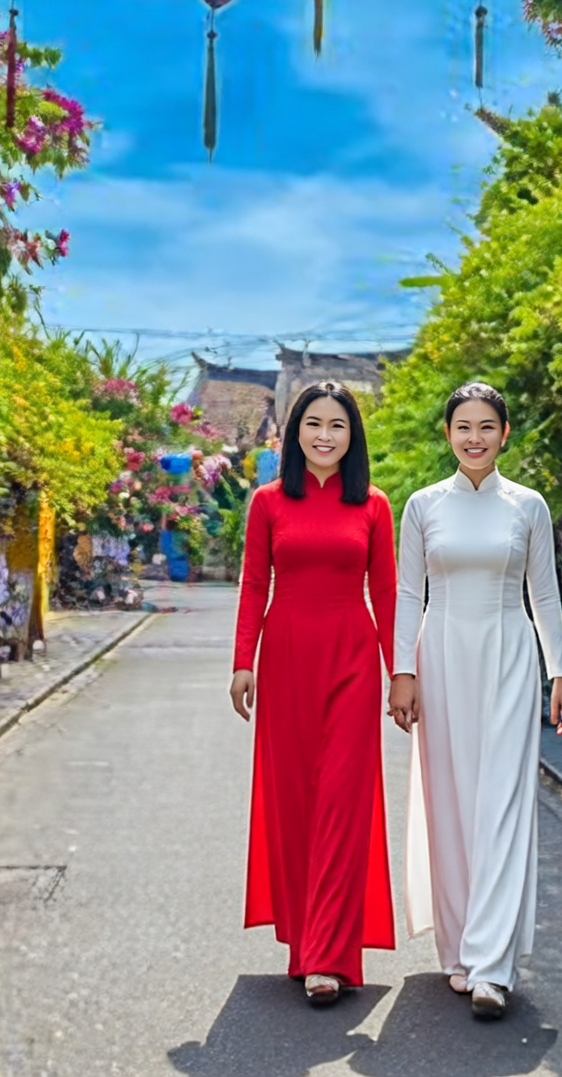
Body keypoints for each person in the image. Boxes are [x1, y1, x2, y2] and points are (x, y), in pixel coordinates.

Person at [388, 380, 562, 1022]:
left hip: (509, 658)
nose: (475, 437)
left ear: (505, 434)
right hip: (439, 658)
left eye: (487, 427)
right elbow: (407, 594)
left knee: (501, 802)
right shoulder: (421, 506)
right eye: (463, 426)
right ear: (448, 434)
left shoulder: (528, 507)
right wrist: (401, 670)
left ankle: (493, 965)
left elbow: (544, 595)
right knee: (451, 803)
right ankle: (460, 951)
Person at [229, 381, 398, 1005]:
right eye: (314, 424)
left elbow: (387, 594)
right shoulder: (268, 502)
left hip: (353, 659)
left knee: (342, 803)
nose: (325, 435)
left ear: (352, 438)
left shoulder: (374, 506)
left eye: (338, 426)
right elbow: (252, 587)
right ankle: (306, 943)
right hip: (287, 660)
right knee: (297, 800)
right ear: (294, 433)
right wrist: (242, 662)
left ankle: (328, 955)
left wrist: (398, 673)